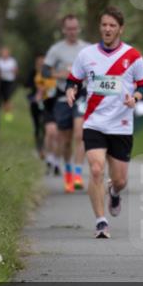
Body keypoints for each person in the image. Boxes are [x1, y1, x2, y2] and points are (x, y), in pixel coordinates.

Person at [65, 7, 143, 238]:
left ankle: (114, 191)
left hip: (121, 125)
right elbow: (73, 80)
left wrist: (135, 98)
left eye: (112, 25)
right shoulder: (86, 55)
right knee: (95, 169)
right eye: (104, 25)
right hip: (94, 122)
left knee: (120, 180)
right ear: (99, 27)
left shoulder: (133, 56)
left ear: (121, 29)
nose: (108, 29)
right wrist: (71, 90)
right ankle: (101, 222)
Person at [43, 15, 90, 193]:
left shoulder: (87, 48)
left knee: (80, 133)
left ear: (79, 29)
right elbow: (45, 71)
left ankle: (78, 175)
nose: (72, 32)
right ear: (64, 30)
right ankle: (68, 174)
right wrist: (62, 74)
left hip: (81, 95)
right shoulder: (56, 50)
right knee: (65, 140)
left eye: (75, 28)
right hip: (63, 97)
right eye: (69, 29)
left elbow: (95, 68)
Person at [25, 54, 49, 159]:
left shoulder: (48, 73)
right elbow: (27, 84)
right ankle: (38, 146)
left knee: (44, 125)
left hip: (46, 101)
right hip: (35, 102)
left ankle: (43, 147)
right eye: (39, 63)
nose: (41, 64)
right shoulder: (32, 72)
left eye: (42, 62)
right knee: (36, 125)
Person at [0, 46, 18, 123]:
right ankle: (2, 111)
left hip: (9, 81)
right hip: (1, 81)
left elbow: (15, 71)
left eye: (6, 53)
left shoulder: (12, 61)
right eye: (3, 53)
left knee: (7, 98)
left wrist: (12, 72)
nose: (4, 54)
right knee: (0, 98)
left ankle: (8, 114)